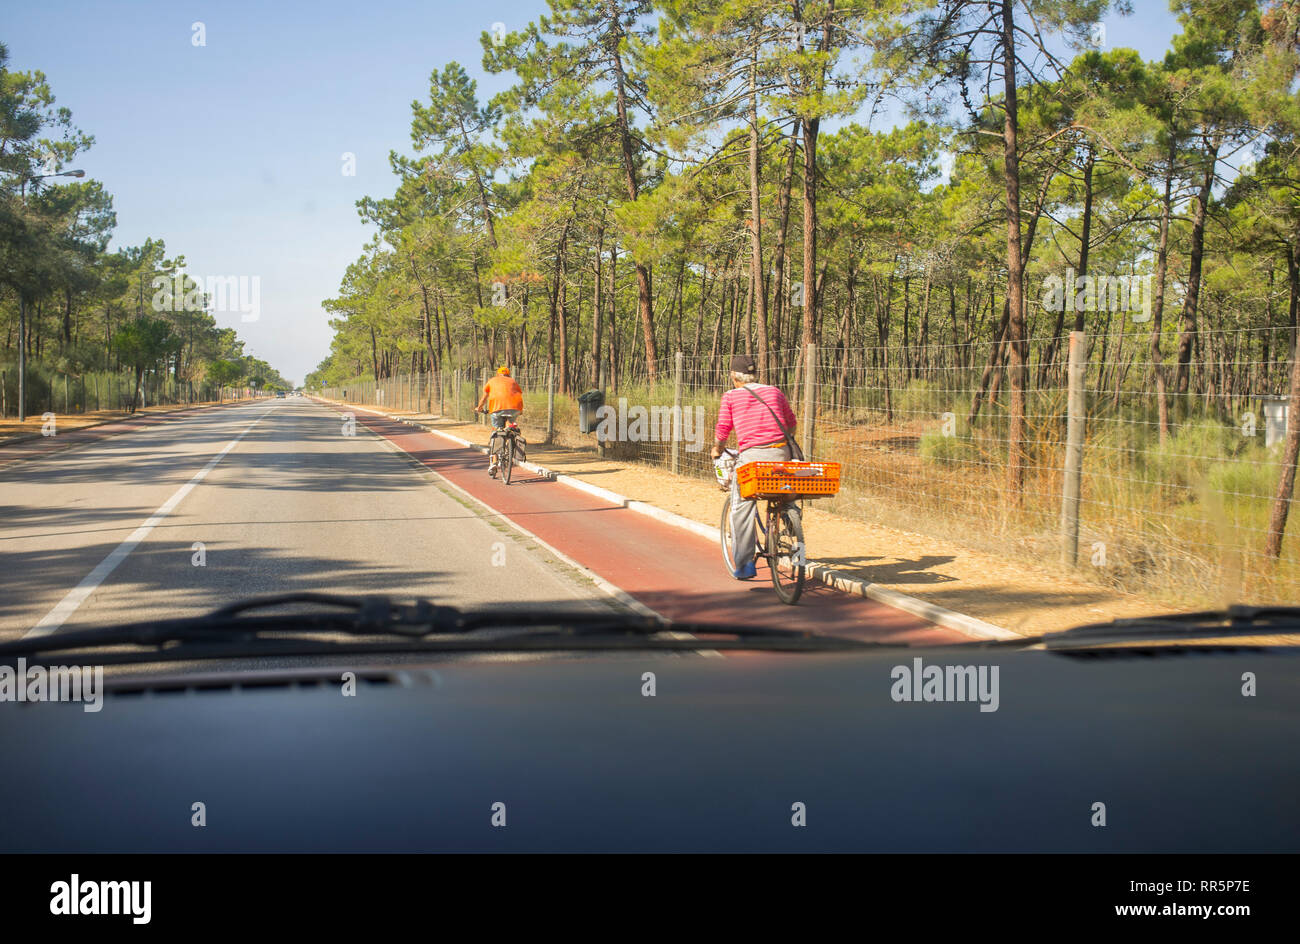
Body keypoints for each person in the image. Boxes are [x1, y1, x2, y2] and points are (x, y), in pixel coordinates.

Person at [711, 354, 804, 579]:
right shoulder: (774, 392)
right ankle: (793, 522)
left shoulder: (731, 397)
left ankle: (744, 565)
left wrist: (717, 449)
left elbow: (723, 428)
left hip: (752, 458)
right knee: (785, 490)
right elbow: (791, 425)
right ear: (754, 374)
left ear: (734, 375)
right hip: (781, 453)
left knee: (742, 505)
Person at [476, 366, 525, 477]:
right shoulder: (513, 381)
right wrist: (519, 411)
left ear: (498, 374)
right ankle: (511, 432)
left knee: (496, 432)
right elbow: (519, 395)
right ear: (508, 374)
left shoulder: (492, 381)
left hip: (497, 409)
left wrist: (479, 408)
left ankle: (493, 462)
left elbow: (484, 398)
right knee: (510, 424)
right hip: (515, 408)